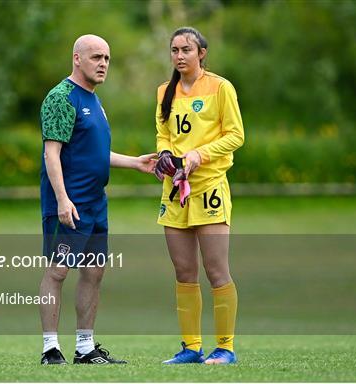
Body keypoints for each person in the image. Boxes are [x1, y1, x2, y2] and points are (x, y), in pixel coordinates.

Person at [39, 34, 155, 365]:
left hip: (95, 203)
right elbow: (52, 154)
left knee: (94, 273)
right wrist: (62, 199)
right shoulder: (62, 98)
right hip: (68, 204)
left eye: (106, 58)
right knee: (57, 272)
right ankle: (50, 349)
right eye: (95, 57)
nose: (103, 63)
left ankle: (85, 349)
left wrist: (135, 162)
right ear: (77, 58)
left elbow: (95, 153)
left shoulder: (95, 100)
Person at [154, 27, 244, 365]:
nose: (179, 56)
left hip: (208, 187)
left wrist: (199, 156)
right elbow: (163, 131)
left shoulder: (221, 87)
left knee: (217, 269)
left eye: (186, 50)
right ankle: (191, 348)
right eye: (174, 50)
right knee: (183, 271)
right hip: (175, 189)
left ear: (201, 53)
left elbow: (236, 135)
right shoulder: (165, 91)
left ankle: (226, 348)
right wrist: (164, 154)